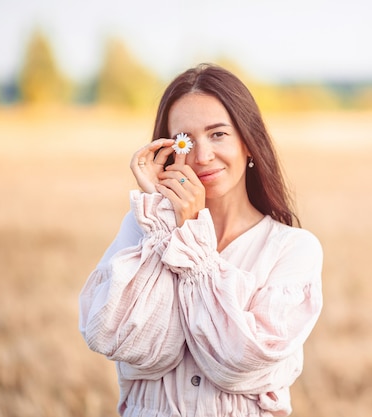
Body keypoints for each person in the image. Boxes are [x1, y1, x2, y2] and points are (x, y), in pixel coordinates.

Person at [79, 63, 323, 417]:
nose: (202, 156)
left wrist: (193, 236)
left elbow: (238, 361)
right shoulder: (143, 228)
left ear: (249, 142)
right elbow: (117, 337)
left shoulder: (293, 248)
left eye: (218, 134)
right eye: (185, 140)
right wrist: (166, 225)